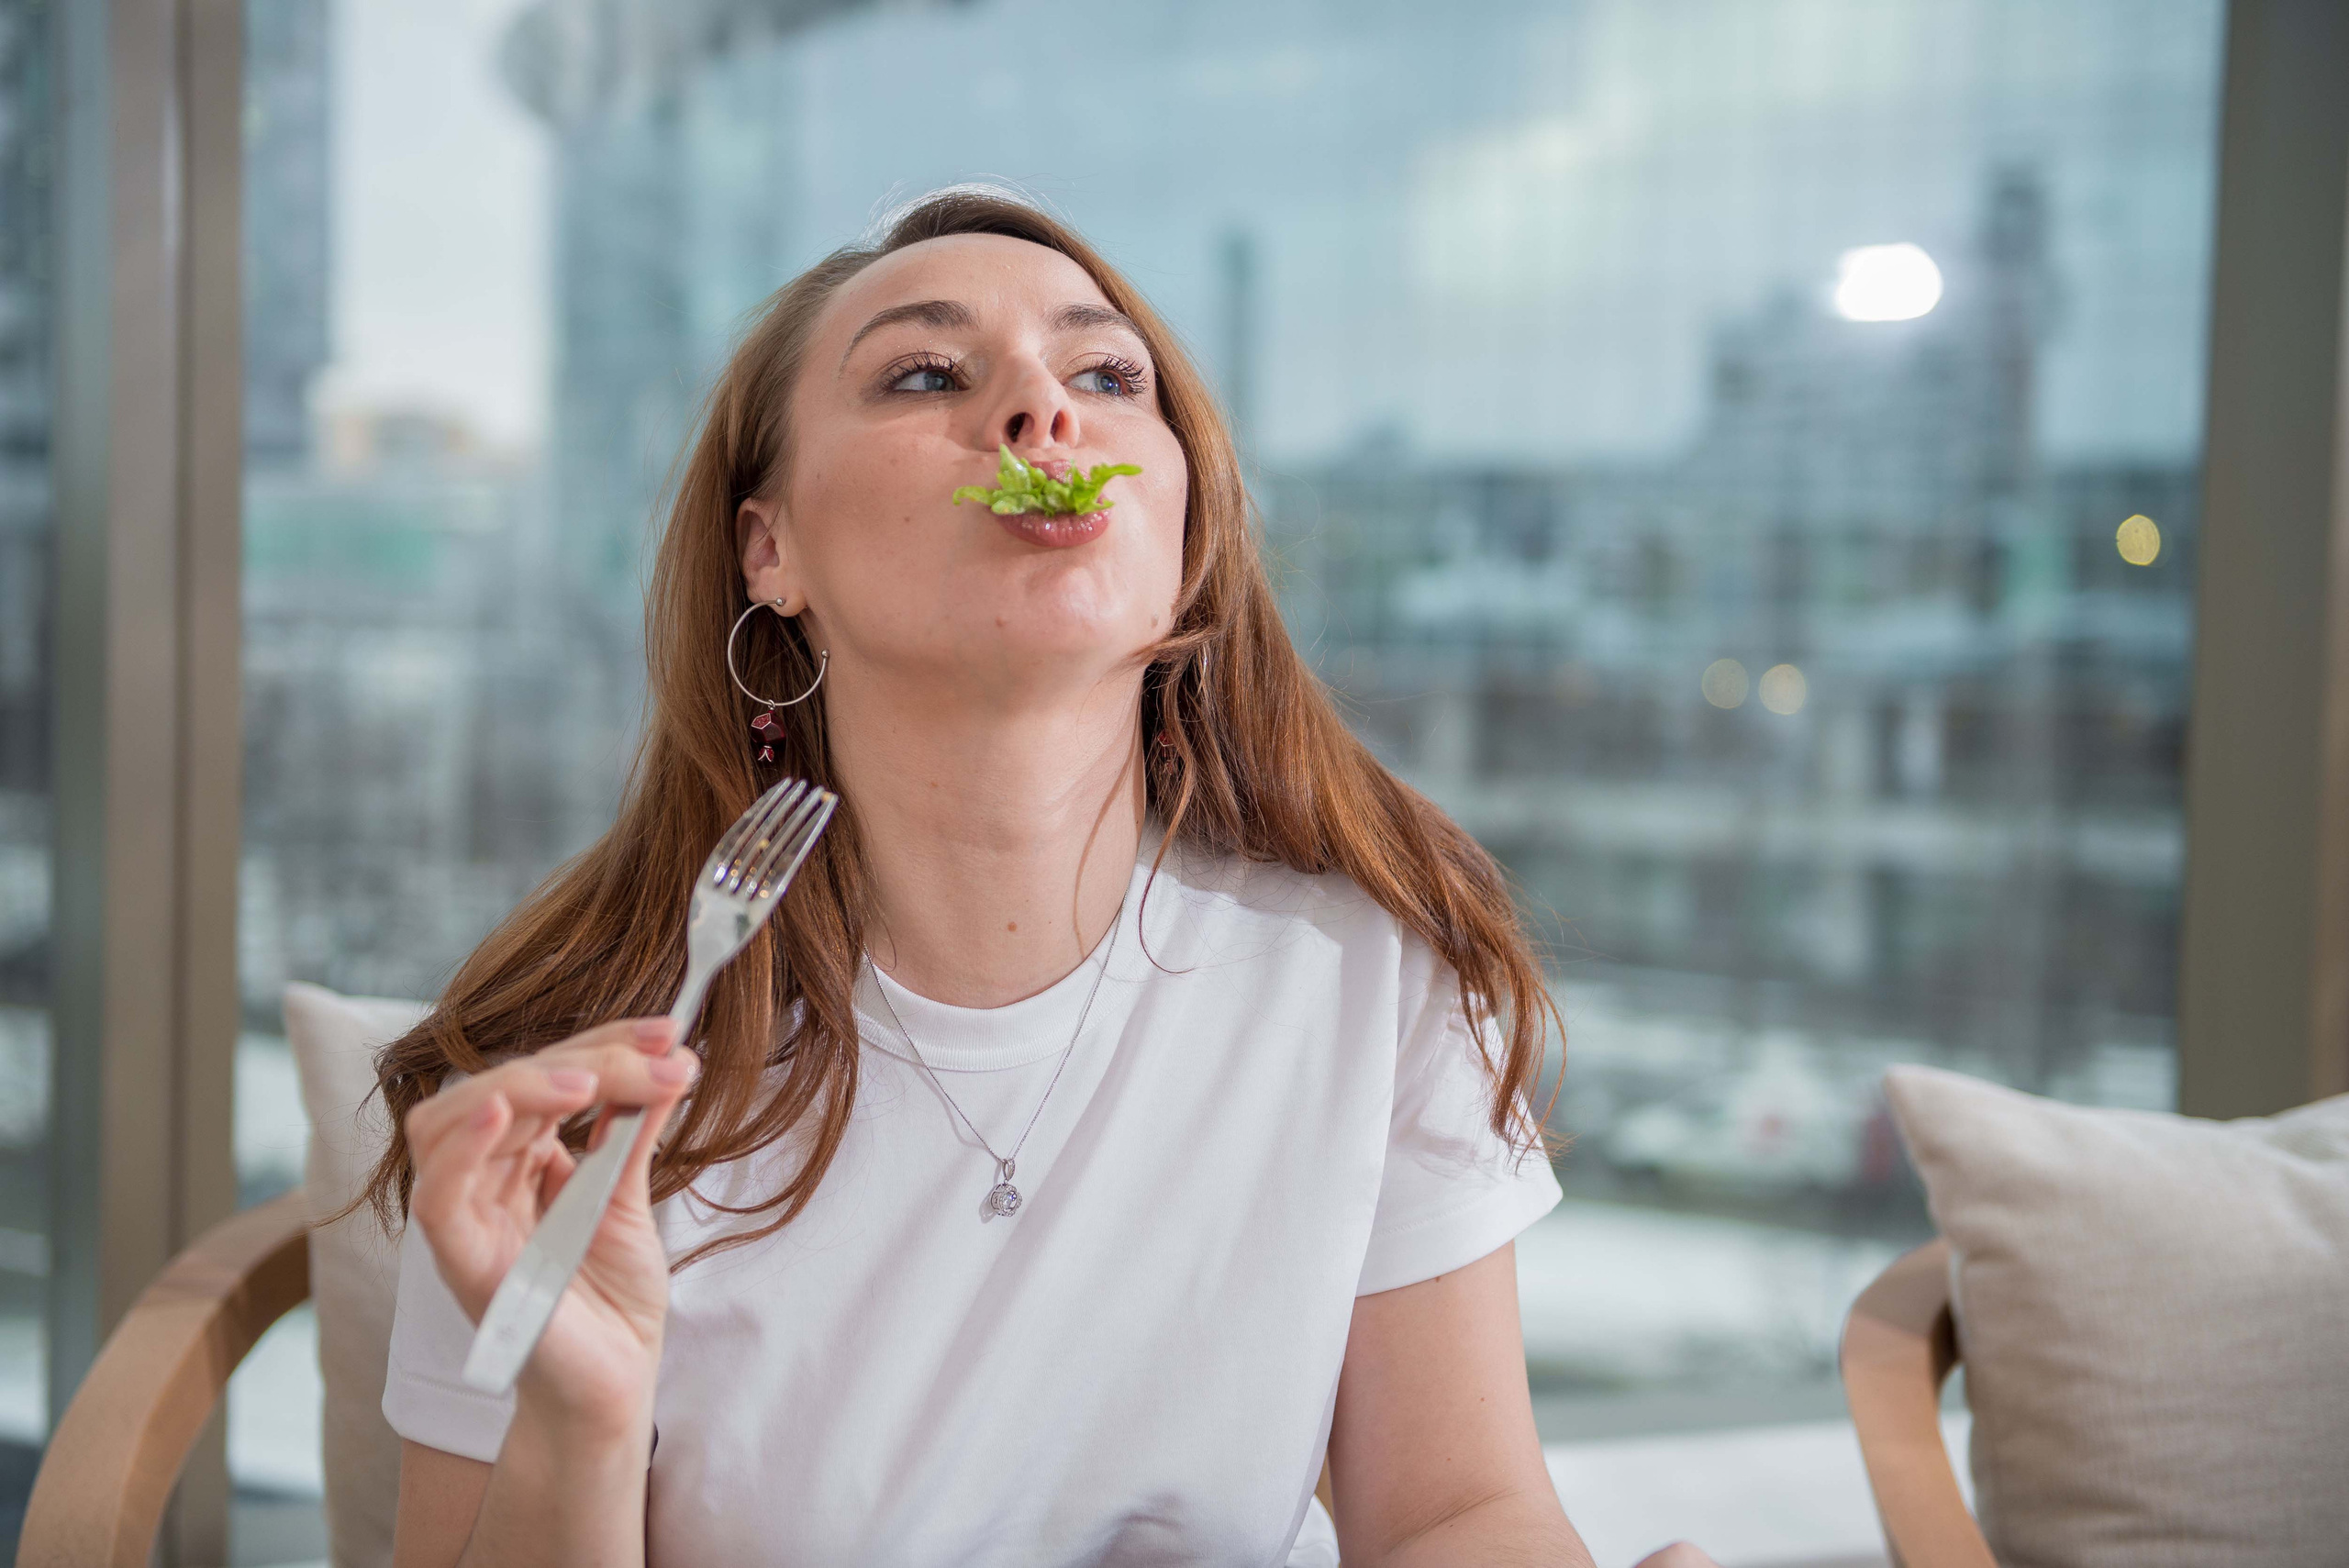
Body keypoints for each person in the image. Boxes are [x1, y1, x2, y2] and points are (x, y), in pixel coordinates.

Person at [369, 187, 1720, 1568]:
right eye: (926, 373)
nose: (1042, 414)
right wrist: (575, 1424)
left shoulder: (1366, 973)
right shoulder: (574, 1092)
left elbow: (1456, 1510)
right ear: (768, 548)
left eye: (1104, 375)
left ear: (1184, 535)